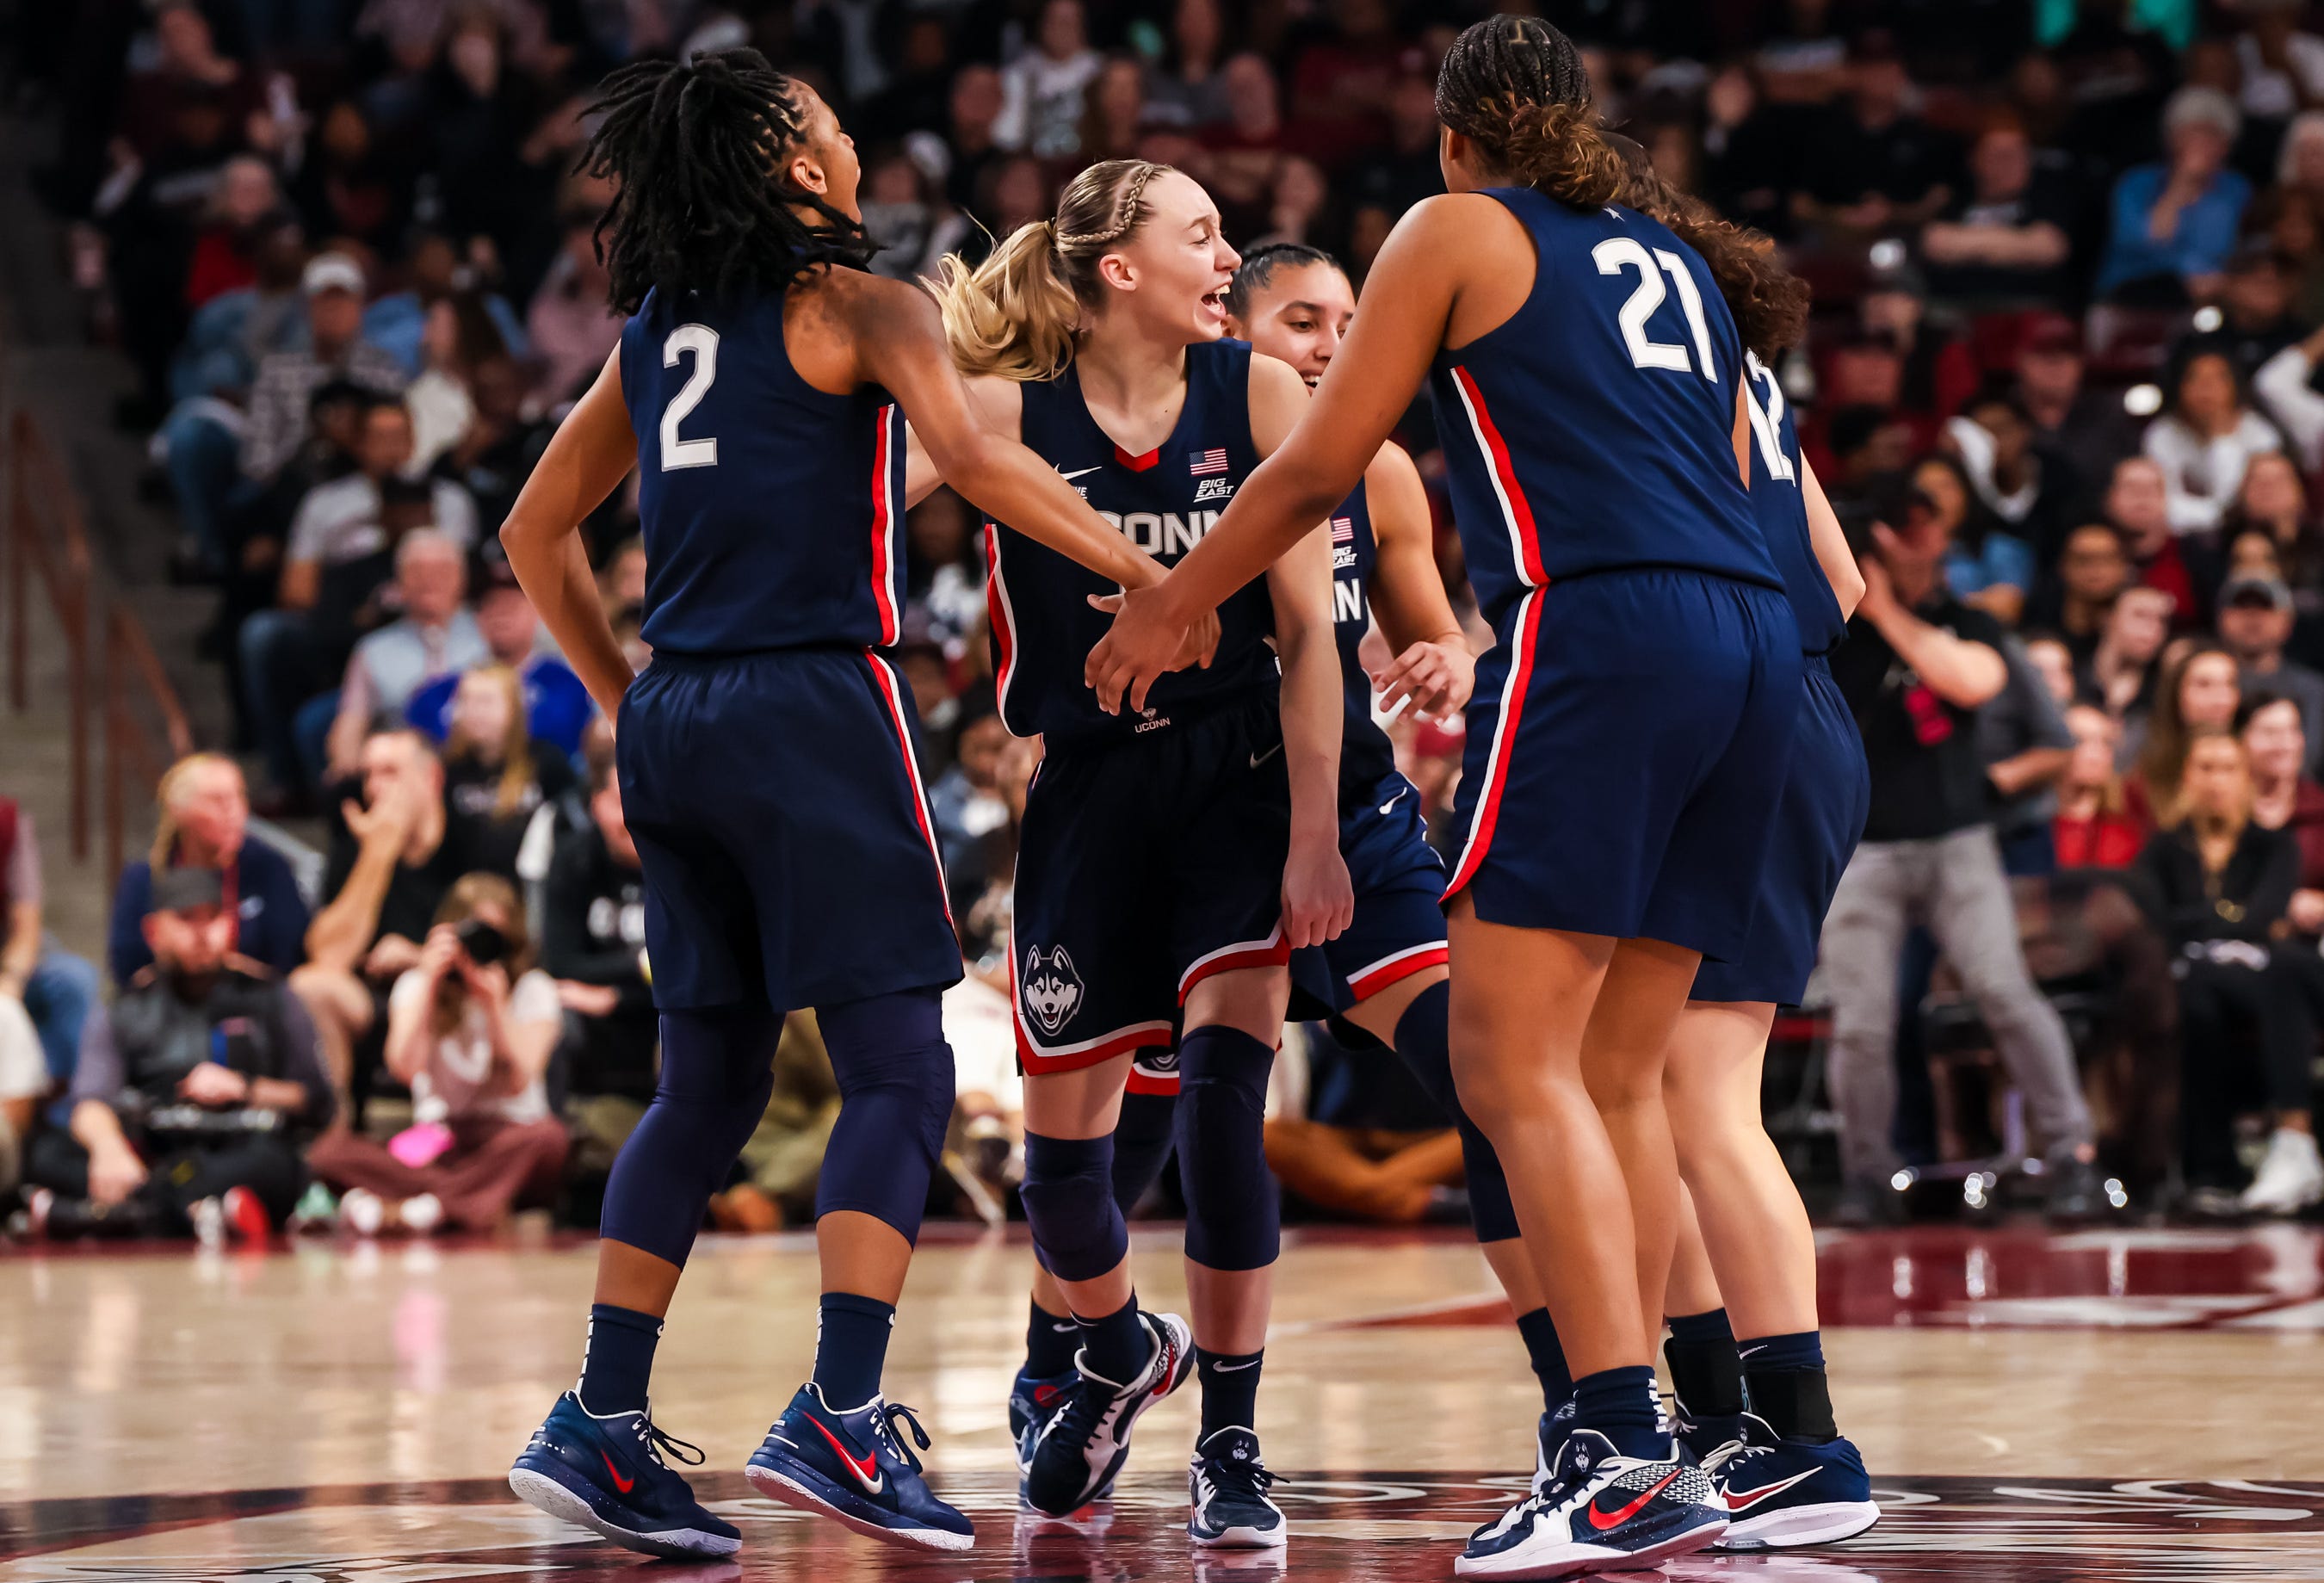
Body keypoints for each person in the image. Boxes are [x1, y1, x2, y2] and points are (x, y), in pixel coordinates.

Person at [1090, 18, 1807, 1572]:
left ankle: (1613, 1443)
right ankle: (1679, 1435)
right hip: (1757, 647)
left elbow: (1313, 464)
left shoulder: (1454, 225)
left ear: (1456, 133)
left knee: (1505, 1052)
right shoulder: (1660, 247)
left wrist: (1171, 599)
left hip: (1611, 622)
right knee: (1617, 1069)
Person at [496, 51, 1227, 1560]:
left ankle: (598, 1414)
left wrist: (629, 689)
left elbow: (533, 528)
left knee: (704, 1086)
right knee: (896, 1067)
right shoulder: (858, 302)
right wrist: (1156, 570)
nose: (850, 139)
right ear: (791, 163)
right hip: (812, 704)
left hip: (681, 719)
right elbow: (977, 460)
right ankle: (839, 1405)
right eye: (829, 125)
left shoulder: (658, 329)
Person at [990, 238, 1481, 1527]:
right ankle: (1078, 1356)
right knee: (1110, 1142)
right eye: (1303, 321)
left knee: (1429, 1079)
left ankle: (1240, 1436)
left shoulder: (1371, 466)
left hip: (1302, 793)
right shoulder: (1176, 413)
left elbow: (1416, 624)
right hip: (1122, 798)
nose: (1332, 346)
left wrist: (1451, 659)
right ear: (1231, 337)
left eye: (1350, 324)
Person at [924, 163, 1350, 1549]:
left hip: (1234, 777)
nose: (1228, 258)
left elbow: (1306, 642)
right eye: (1203, 234)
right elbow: (852, 473)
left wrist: (1315, 832)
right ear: (1118, 267)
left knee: (1229, 1098)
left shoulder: (1262, 395)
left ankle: (1233, 1441)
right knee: (1065, 1181)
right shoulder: (1000, 415)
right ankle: (1111, 1346)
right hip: (1086, 789)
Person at [1819, 474, 2101, 1222]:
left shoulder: (1964, 620)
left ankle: (2072, 1151)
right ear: (1881, 540)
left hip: (1957, 842)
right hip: (1866, 850)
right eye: (1911, 528)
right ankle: (1867, 1176)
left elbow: (1973, 682)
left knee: (2005, 992)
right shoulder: (1834, 630)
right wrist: (1861, 603)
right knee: (1864, 1021)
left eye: (1932, 527)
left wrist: (1886, 608)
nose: (1930, 543)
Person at [22, 868, 332, 1243]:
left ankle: (103, 1216)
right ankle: (195, 1213)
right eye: (186, 919)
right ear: (154, 931)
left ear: (230, 924)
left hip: (239, 1145)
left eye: (214, 917)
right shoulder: (129, 1007)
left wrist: (246, 1087)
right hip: (156, 1150)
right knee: (45, 1153)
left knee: (276, 1166)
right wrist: (109, 1150)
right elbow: (90, 1100)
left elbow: (315, 1099)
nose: (203, 932)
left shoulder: (270, 995)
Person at [306, 875, 571, 1234]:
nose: (478, 950)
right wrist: (430, 979)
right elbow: (404, 1067)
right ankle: (459, 1205)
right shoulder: (416, 986)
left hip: (510, 1138)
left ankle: (415, 1207)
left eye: (492, 938)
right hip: (439, 1141)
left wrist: (494, 1006)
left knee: (549, 1139)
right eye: (472, 937)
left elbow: (517, 1081)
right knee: (327, 1153)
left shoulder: (533, 990)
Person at [2132, 731, 2321, 1216]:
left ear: (2246, 778)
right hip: (2191, 980)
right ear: (2187, 778)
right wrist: (2225, 920)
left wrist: (2199, 920)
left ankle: (2218, 1165)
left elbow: (2263, 917)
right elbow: (2151, 918)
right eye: (2205, 768)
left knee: (2257, 975)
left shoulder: (2272, 846)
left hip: (2258, 979)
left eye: (2228, 768)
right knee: (2197, 997)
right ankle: (2218, 1168)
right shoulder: (2163, 849)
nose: (2217, 781)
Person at [292, 729, 468, 1115]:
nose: (376, 788)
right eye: (368, 775)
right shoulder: (354, 848)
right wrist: (378, 854)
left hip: (459, 998)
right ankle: (334, 1140)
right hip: (374, 1004)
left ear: (432, 778)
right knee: (312, 986)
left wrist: (419, 958)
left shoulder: (475, 840)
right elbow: (328, 956)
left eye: (390, 773)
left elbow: (505, 949)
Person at [109, 753, 310, 985]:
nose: (232, 811)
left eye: (238, 797)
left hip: (258, 1002)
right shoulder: (146, 878)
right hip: (170, 1009)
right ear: (178, 810)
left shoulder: (268, 866)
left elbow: (293, 957)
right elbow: (127, 969)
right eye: (217, 800)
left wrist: (223, 968)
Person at [0, 798, 99, 1117]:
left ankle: (67, 1115)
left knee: (73, 978)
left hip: (8, 962)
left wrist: (11, 982)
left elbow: (27, 926)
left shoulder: (9, 821)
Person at [437, 665, 577, 881]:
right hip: (470, 892)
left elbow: (572, 831)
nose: (474, 711)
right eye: (466, 701)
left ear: (514, 707)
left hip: (535, 887)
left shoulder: (546, 762)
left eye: (485, 701)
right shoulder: (450, 771)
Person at [2141, 345, 2283, 537]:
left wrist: (2221, 438)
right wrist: (2224, 515)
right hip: (2180, 538)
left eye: (2218, 379)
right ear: (2179, 386)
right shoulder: (2162, 434)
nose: (2206, 388)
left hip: (2249, 535)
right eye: (2195, 378)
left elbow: (2246, 501)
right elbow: (2163, 505)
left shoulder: (2258, 432)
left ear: (2235, 387)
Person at [2217, 574, 2324, 771]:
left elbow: (2310, 763)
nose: (2253, 617)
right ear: (2223, 617)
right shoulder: (2209, 686)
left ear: (2287, 621)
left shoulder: (2315, 691)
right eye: (2242, 607)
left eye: (2265, 608)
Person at [2132, 644, 2243, 826]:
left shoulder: (2252, 763)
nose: (2220, 699)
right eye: (2204, 684)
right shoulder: (2144, 772)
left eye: (2229, 684)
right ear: (2176, 693)